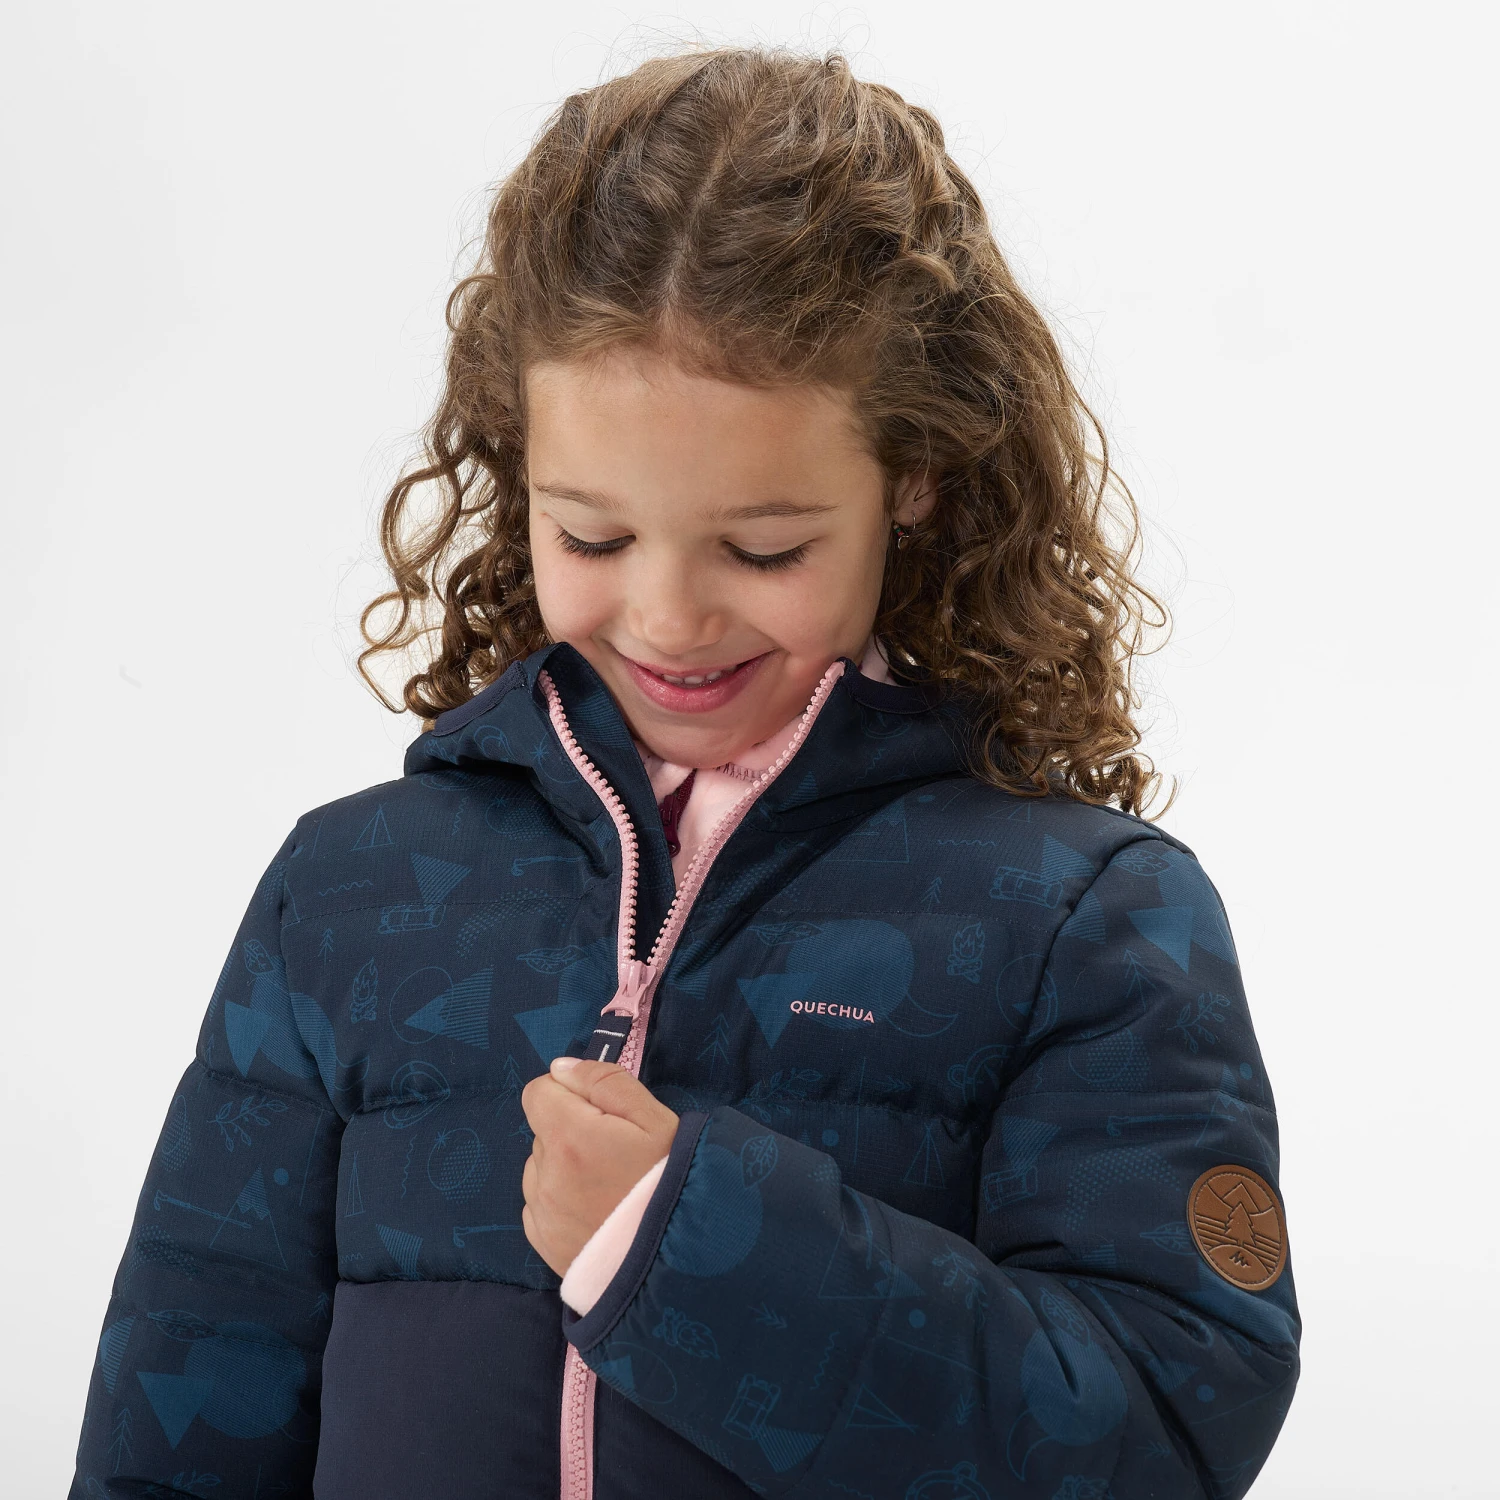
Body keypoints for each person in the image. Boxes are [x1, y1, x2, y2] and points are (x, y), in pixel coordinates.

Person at [69, 44, 1300, 1500]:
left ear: (914, 476)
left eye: (763, 549)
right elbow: (177, 1423)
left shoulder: (1084, 920)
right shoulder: (347, 895)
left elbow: (1163, 1432)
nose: (665, 618)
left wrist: (691, 1248)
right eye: (591, 535)